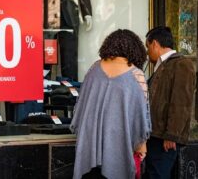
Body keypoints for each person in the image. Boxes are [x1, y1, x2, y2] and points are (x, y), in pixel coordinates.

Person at [70, 29, 151, 179]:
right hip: (121, 144)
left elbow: (80, 105)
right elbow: (141, 116)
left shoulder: (93, 69)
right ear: (135, 50)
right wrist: (141, 145)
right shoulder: (136, 75)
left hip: (91, 142)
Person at [143, 26, 196, 179]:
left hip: (165, 138)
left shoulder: (181, 64)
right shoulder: (163, 65)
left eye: (148, 47)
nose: (148, 53)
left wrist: (172, 135)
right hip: (156, 135)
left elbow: (181, 102)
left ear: (154, 44)